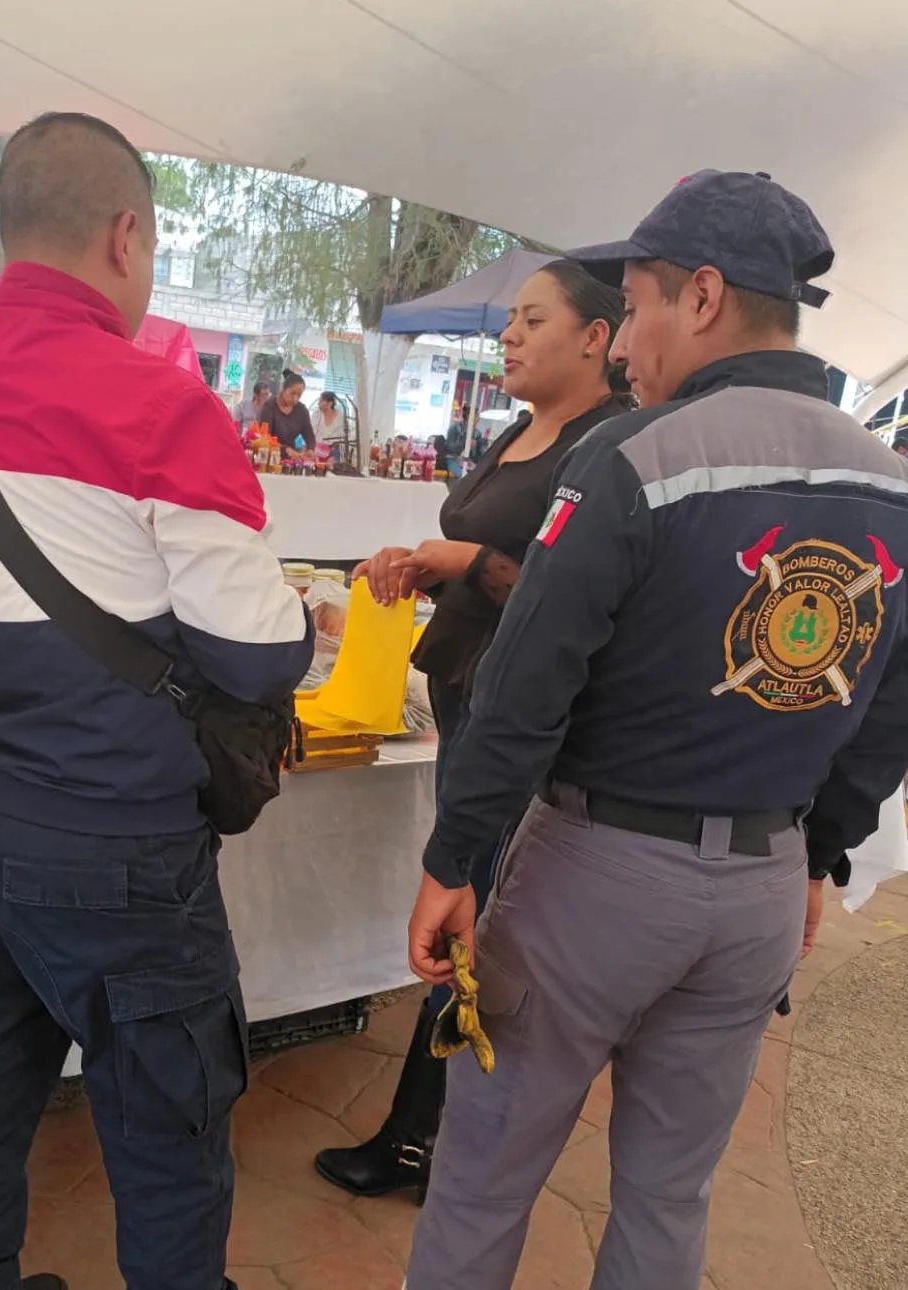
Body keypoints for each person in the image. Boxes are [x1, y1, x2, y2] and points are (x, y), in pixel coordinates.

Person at [405, 170, 908, 1290]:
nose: (623, 343)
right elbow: (890, 713)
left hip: (598, 880)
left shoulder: (635, 459)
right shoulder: (891, 484)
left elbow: (524, 690)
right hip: (761, 896)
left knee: (485, 1175)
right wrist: (817, 849)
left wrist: (454, 860)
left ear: (704, 298)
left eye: (632, 307)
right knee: (670, 1197)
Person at [0, 111, 313, 1290]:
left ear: (7, 229)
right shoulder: (160, 405)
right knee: (166, 1138)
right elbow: (260, 660)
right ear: (127, 237)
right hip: (117, 847)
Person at [315, 260, 630, 1203]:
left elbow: (568, 591)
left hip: (522, 721)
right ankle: (429, 1132)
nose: (511, 337)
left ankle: (423, 1138)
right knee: (468, 905)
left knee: (475, 914)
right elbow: (488, 558)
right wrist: (417, 564)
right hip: (464, 696)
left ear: (597, 337)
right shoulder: (516, 431)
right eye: (509, 323)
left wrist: (470, 558)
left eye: (535, 320)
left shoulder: (607, 446)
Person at [260, 369, 314, 455]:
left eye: (299, 395)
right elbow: (265, 437)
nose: (295, 398)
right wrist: (285, 450)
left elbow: (309, 435)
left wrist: (310, 449)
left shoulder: (302, 410)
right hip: (269, 455)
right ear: (283, 389)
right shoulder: (269, 407)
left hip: (291, 459)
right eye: (292, 393)